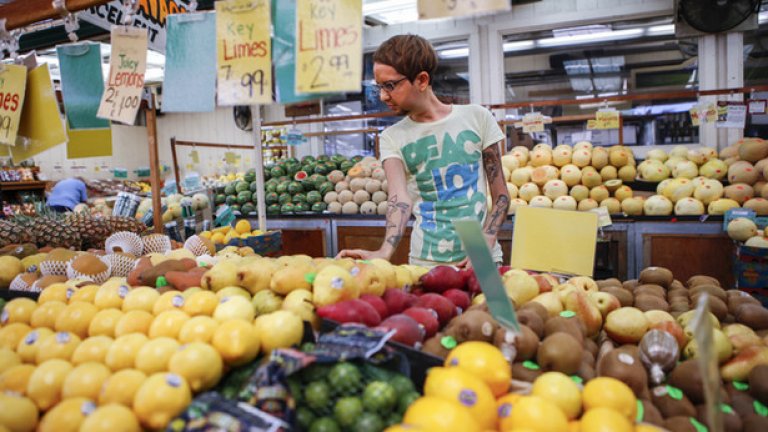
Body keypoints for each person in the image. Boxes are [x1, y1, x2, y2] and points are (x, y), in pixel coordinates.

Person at [337, 34, 509, 266]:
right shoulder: (392, 137)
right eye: (379, 86)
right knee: (425, 304)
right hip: (425, 261)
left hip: (480, 254)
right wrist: (384, 251)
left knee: (494, 304)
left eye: (390, 85)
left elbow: (500, 195)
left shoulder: (477, 117)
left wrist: (487, 239)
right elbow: (399, 198)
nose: (383, 96)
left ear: (422, 80)